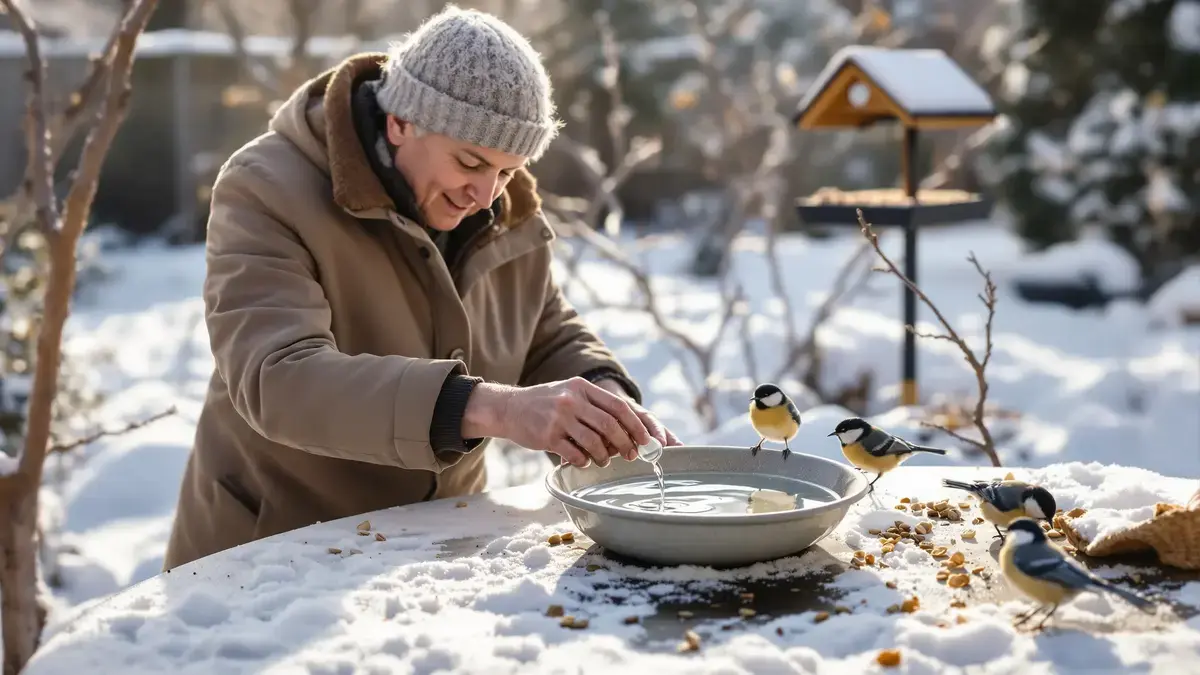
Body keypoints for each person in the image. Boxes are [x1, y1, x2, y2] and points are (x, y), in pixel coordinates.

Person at [163, 6, 680, 569]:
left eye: (507, 171)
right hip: (273, 556)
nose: (486, 197)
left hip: (434, 550)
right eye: (470, 162)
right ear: (400, 123)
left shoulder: (502, 202)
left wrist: (605, 397)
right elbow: (278, 379)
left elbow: (542, 328)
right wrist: (493, 409)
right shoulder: (266, 189)